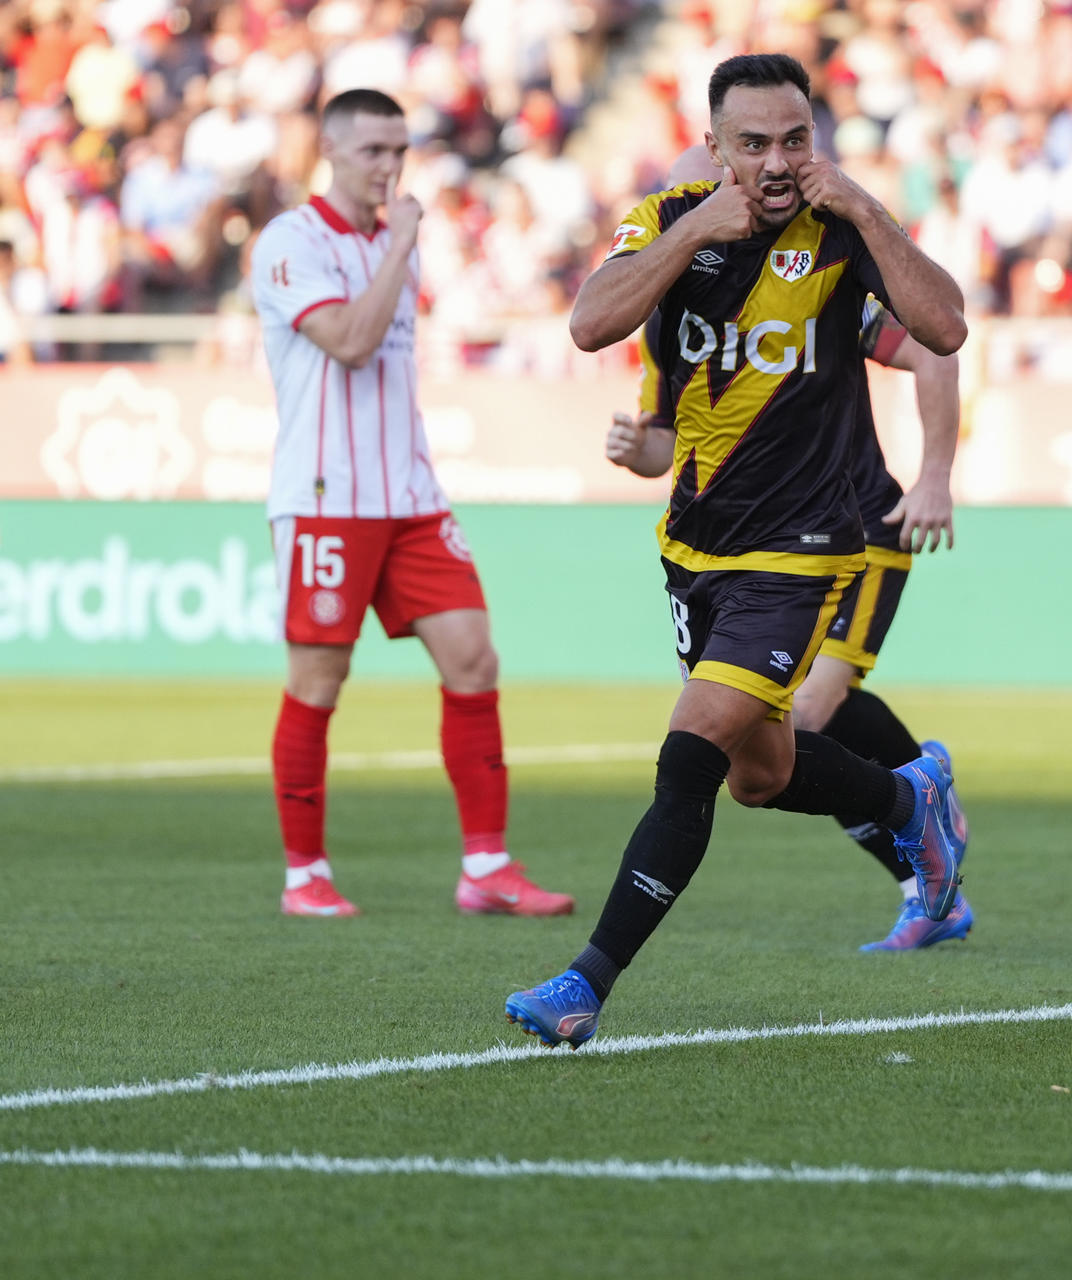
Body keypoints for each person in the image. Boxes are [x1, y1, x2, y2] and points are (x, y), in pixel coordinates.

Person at [505, 53, 970, 1047]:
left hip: (803, 546)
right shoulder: (669, 216)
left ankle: (585, 982)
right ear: (715, 149)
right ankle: (907, 796)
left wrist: (870, 210)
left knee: (690, 760)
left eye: (793, 141)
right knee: (761, 770)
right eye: (752, 143)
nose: (775, 162)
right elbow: (591, 321)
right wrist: (692, 236)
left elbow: (944, 326)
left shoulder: (844, 232)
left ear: (817, 142)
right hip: (695, 545)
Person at [608, 144, 973, 952]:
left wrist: (937, 474)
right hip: (748, 550)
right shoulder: (672, 324)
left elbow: (930, 347)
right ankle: (922, 797)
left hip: (858, 525)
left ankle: (923, 870)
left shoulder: (820, 277)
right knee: (767, 761)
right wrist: (635, 448)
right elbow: (661, 449)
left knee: (811, 709)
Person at [250, 89, 572, 920]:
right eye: (372, 151)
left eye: (399, 150)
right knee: (319, 680)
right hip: (326, 495)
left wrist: (395, 247)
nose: (390, 166)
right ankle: (303, 875)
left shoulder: (399, 242)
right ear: (331, 150)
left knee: (475, 659)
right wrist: (397, 246)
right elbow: (352, 345)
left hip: (411, 494)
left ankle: (487, 866)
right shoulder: (291, 242)